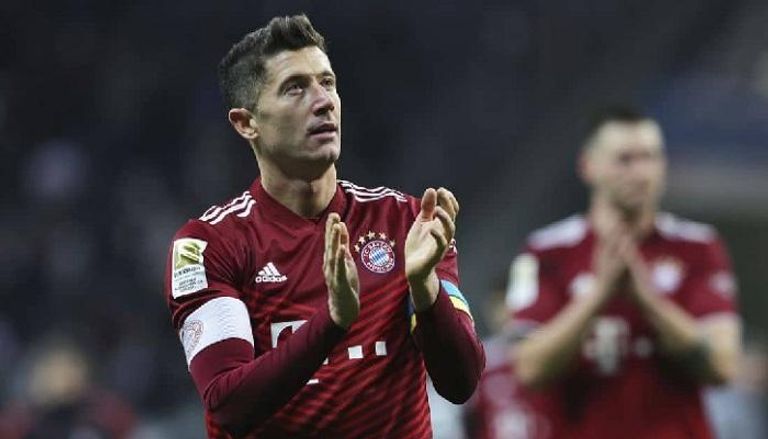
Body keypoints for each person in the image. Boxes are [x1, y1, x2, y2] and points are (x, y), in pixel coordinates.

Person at [163, 15, 484, 439]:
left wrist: (425, 288)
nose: (323, 101)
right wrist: (333, 322)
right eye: (295, 88)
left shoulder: (405, 221)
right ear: (246, 123)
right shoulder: (210, 245)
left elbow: (462, 383)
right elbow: (230, 405)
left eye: (327, 83)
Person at [505, 106, 742, 438]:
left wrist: (647, 300)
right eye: (625, 160)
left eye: (650, 157)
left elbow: (723, 367)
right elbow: (528, 370)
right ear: (588, 166)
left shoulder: (699, 247)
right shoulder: (546, 251)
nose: (641, 172)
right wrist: (598, 295)